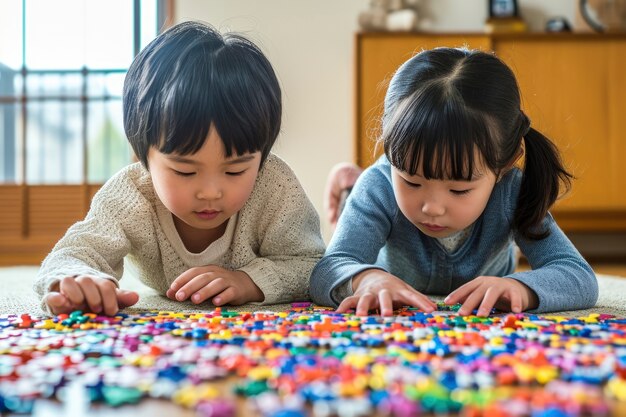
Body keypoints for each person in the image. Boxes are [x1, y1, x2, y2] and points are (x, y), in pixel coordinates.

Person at [34, 21, 325, 316]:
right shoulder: (131, 194)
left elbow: (310, 263)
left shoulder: (275, 186)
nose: (210, 192)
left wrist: (249, 281)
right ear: (143, 155)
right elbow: (74, 253)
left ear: (261, 157)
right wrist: (77, 281)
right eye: (185, 171)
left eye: (235, 171)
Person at [310, 47, 597, 317]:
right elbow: (328, 269)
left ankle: (355, 184)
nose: (432, 208)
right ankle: (351, 189)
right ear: (388, 149)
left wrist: (521, 287)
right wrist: (365, 278)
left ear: (504, 166)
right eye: (412, 181)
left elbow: (577, 274)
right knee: (366, 197)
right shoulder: (380, 185)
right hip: (378, 214)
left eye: (459, 189)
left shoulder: (512, 191)